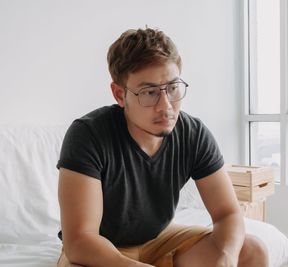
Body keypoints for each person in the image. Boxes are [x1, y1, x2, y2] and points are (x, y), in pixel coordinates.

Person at [57, 27, 268, 267]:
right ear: (119, 94)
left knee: (252, 251)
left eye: (172, 88)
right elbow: (80, 240)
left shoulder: (193, 133)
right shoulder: (88, 134)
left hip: (159, 239)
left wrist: (226, 258)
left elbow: (227, 213)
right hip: (100, 249)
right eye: (149, 93)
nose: (165, 106)